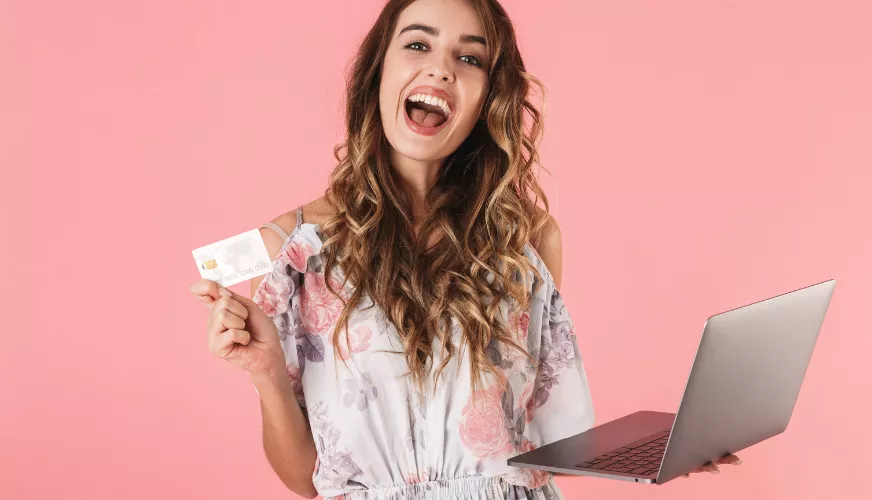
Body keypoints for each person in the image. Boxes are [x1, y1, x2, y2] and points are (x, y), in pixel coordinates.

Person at [189, 0, 738, 498]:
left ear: (487, 99)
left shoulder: (526, 242)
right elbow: (305, 479)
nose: (441, 69)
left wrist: (656, 449)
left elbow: (532, 447)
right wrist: (265, 369)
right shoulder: (293, 249)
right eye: (418, 44)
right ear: (378, 72)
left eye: (469, 58)